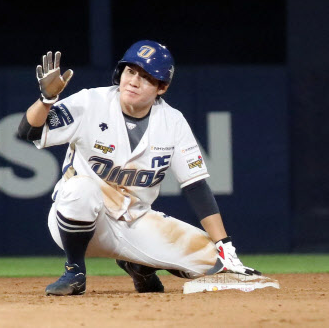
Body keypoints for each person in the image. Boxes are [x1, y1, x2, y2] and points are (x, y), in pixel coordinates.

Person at [17, 43, 261, 296]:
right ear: (120, 73)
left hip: (134, 221)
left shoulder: (172, 121)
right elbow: (28, 131)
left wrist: (224, 246)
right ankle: (74, 270)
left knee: (212, 261)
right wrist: (46, 100)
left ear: (161, 87)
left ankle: (140, 265)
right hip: (76, 219)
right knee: (81, 188)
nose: (134, 81)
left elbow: (195, 185)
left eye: (146, 77)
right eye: (130, 71)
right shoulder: (91, 102)